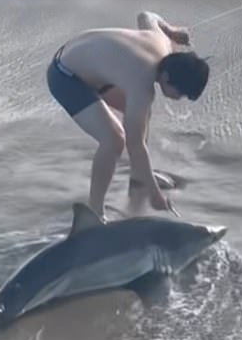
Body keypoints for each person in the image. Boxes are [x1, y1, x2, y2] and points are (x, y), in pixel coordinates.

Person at [46, 11, 210, 220]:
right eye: (181, 93)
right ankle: (94, 212)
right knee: (114, 140)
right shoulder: (142, 85)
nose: (180, 98)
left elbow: (146, 16)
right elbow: (135, 145)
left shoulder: (163, 43)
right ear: (167, 77)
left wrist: (171, 30)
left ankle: (139, 178)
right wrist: (154, 194)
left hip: (88, 62)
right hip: (65, 76)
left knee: (141, 116)